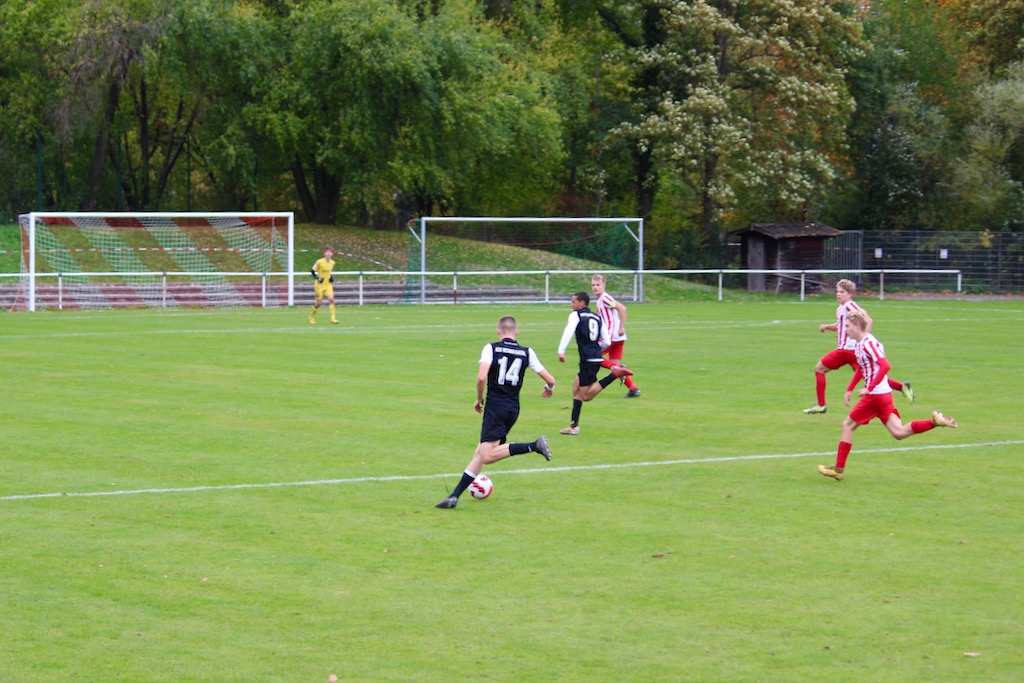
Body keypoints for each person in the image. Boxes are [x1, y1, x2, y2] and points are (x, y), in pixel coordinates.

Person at [817, 309, 957, 482]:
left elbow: (885, 366)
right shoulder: (860, 344)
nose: (845, 330)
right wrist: (850, 388)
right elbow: (862, 368)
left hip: (875, 396)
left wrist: (869, 388)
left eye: (847, 326)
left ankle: (838, 470)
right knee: (899, 432)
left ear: (857, 325)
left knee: (847, 426)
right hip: (883, 395)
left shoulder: (868, 343)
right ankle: (935, 421)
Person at [436, 315, 556, 509]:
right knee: (479, 453)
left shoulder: (491, 348)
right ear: (516, 332)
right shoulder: (527, 352)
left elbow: (481, 377)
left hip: (495, 408)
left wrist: (478, 398)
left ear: (498, 331)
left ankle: (534, 446)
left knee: (487, 456)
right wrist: (550, 388)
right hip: (513, 409)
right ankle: (453, 497)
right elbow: (550, 380)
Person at [804, 278, 913, 414]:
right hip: (853, 352)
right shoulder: (841, 308)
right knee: (868, 375)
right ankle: (902, 387)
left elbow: (867, 320)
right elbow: (841, 326)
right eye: (837, 291)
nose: (838, 294)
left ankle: (821, 405)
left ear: (850, 294)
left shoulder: (849, 305)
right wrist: (827, 327)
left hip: (846, 350)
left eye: (842, 292)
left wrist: (863, 339)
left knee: (819, 369)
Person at [557, 291, 634, 435]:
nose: (571, 304)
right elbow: (607, 341)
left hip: (588, 360)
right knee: (575, 388)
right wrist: (596, 350)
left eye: (573, 301)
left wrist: (561, 351)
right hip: (595, 357)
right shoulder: (597, 318)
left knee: (586, 396)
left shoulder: (576, 315)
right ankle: (574, 426)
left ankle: (614, 374)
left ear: (582, 303)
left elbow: (569, 331)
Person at [591, 274, 641, 398]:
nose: (595, 287)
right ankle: (633, 389)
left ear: (604, 286)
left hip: (611, 336)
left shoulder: (605, 298)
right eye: (593, 285)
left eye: (598, 285)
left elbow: (622, 308)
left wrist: (621, 327)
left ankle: (616, 367)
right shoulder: (600, 300)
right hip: (618, 338)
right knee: (616, 364)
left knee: (594, 356)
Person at [309, 246, 338, 324]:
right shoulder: (319, 262)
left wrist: (331, 278)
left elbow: (328, 273)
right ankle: (311, 317)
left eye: (330, 252)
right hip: (319, 285)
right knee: (319, 303)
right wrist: (318, 278)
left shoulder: (332, 263)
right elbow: (312, 271)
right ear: (324, 253)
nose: (328, 254)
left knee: (331, 299)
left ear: (332, 254)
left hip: (328, 285)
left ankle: (333, 319)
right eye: (327, 252)